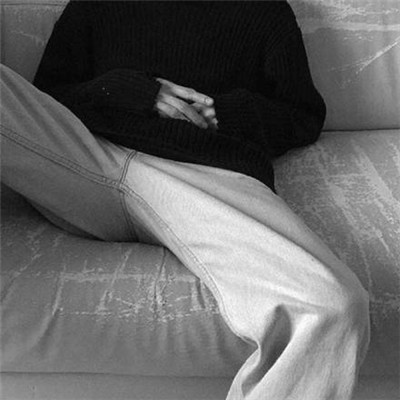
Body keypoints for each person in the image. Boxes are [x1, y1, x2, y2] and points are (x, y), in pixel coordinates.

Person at [0, 1, 370, 399]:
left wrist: (224, 113)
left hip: (205, 177)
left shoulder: (265, 9)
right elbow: (45, 98)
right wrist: (132, 91)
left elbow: (302, 116)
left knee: (331, 307)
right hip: (85, 153)